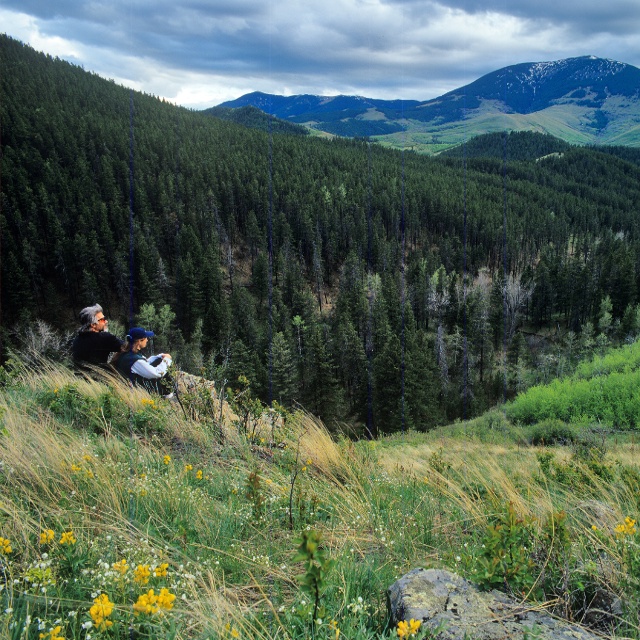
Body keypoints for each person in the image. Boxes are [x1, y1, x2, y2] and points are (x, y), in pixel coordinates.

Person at [112, 327, 173, 396]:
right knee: (163, 367)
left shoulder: (127, 353)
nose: (147, 340)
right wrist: (167, 360)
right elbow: (157, 373)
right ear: (139, 341)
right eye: (146, 338)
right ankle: (168, 395)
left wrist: (159, 357)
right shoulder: (135, 360)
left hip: (128, 387)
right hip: (136, 392)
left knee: (158, 360)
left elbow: (145, 363)